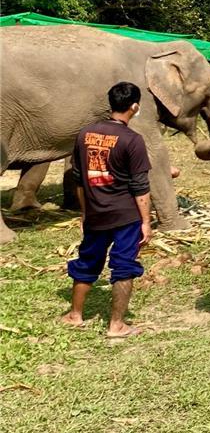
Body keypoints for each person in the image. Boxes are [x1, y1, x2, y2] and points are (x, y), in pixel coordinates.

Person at [62, 82, 152, 338]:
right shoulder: (132, 140)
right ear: (134, 107)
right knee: (124, 266)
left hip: (95, 214)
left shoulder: (84, 134)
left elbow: (78, 178)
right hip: (126, 216)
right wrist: (146, 221)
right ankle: (117, 325)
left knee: (87, 261)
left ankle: (75, 315)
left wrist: (85, 211)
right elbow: (140, 186)